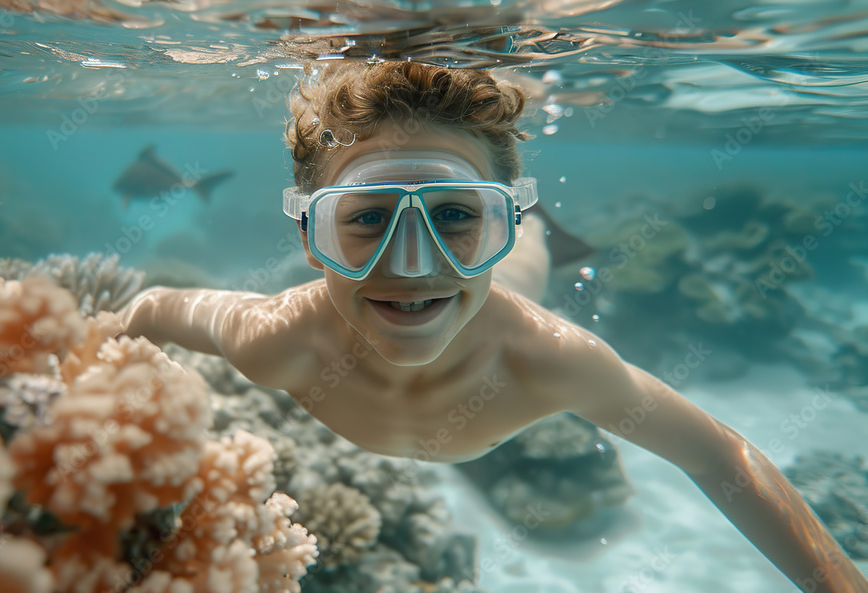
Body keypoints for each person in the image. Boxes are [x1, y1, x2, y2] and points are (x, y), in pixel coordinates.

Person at [120, 61, 868, 591]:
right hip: (484, 276)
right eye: (368, 219)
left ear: (496, 216)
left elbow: (718, 455)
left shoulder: (553, 358)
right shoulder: (270, 335)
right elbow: (148, 311)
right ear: (311, 238)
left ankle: (538, 224)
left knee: (532, 261)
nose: (411, 265)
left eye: (455, 214)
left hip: (513, 280)